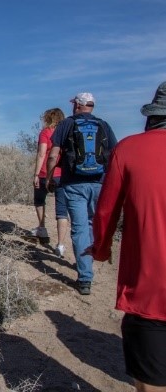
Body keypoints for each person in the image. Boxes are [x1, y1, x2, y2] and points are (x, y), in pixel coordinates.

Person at [93, 81, 166, 391]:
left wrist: (101, 249)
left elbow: (107, 211)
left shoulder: (131, 148)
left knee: (151, 381)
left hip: (151, 287)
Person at [46, 92, 117, 295]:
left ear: (77, 105)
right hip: (98, 183)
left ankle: (85, 277)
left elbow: (53, 154)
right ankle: (94, 258)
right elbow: (114, 153)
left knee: (78, 228)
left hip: (73, 183)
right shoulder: (103, 125)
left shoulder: (67, 124)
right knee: (91, 223)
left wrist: (50, 177)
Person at [32, 108, 69, 256]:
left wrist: (36, 174)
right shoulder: (66, 133)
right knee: (62, 210)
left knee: (39, 200)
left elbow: (42, 154)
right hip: (63, 174)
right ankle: (60, 244)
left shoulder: (46, 132)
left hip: (45, 173)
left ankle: (42, 227)